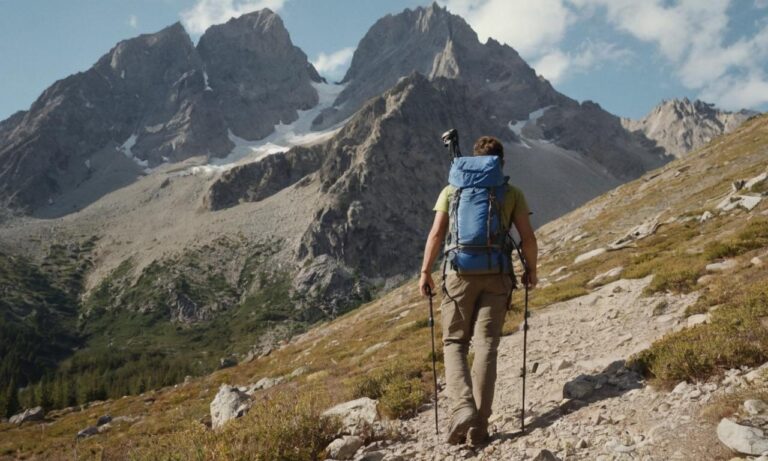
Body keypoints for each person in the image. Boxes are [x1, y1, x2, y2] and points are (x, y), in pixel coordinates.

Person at [418, 135, 538, 445]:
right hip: (497, 275)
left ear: (473, 160)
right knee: (487, 344)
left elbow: (435, 235)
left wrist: (425, 272)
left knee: (455, 342)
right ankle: (479, 426)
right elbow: (527, 238)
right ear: (501, 163)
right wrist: (531, 271)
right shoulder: (511, 192)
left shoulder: (453, 190)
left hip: (459, 274)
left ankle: (462, 409)